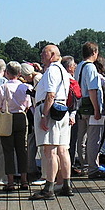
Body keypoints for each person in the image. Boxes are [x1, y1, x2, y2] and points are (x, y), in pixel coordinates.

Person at [29, 44, 73, 200]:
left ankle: (49, 188)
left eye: (44, 53)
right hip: (62, 111)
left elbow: (50, 95)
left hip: (50, 111)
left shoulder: (52, 71)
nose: (41, 55)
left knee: (50, 151)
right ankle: (66, 185)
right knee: (63, 149)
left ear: (53, 55)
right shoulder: (64, 71)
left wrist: (43, 115)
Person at [0, 61, 32, 190]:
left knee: (8, 150)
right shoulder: (25, 87)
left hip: (8, 117)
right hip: (21, 116)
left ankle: (10, 181)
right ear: (19, 73)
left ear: (7, 73)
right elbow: (28, 105)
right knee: (22, 149)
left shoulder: (3, 87)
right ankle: (24, 180)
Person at [73, 42, 104, 177]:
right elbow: (92, 89)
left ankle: (84, 165)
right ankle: (93, 168)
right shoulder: (91, 68)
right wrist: (97, 109)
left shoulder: (79, 66)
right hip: (90, 106)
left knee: (82, 138)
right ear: (94, 52)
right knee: (93, 139)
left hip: (80, 106)